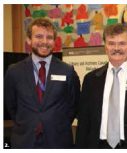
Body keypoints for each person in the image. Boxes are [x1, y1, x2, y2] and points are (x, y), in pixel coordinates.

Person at [4, 18, 80, 148]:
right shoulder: (14, 71)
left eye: (49, 37)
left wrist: (56, 123)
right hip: (24, 140)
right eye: (39, 36)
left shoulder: (67, 71)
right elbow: (11, 105)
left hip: (58, 140)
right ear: (29, 40)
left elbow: (74, 105)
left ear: (54, 41)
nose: (44, 42)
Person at [75, 23, 127, 148]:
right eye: (111, 43)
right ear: (105, 47)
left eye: (122, 43)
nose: (116, 48)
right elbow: (84, 122)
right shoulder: (91, 80)